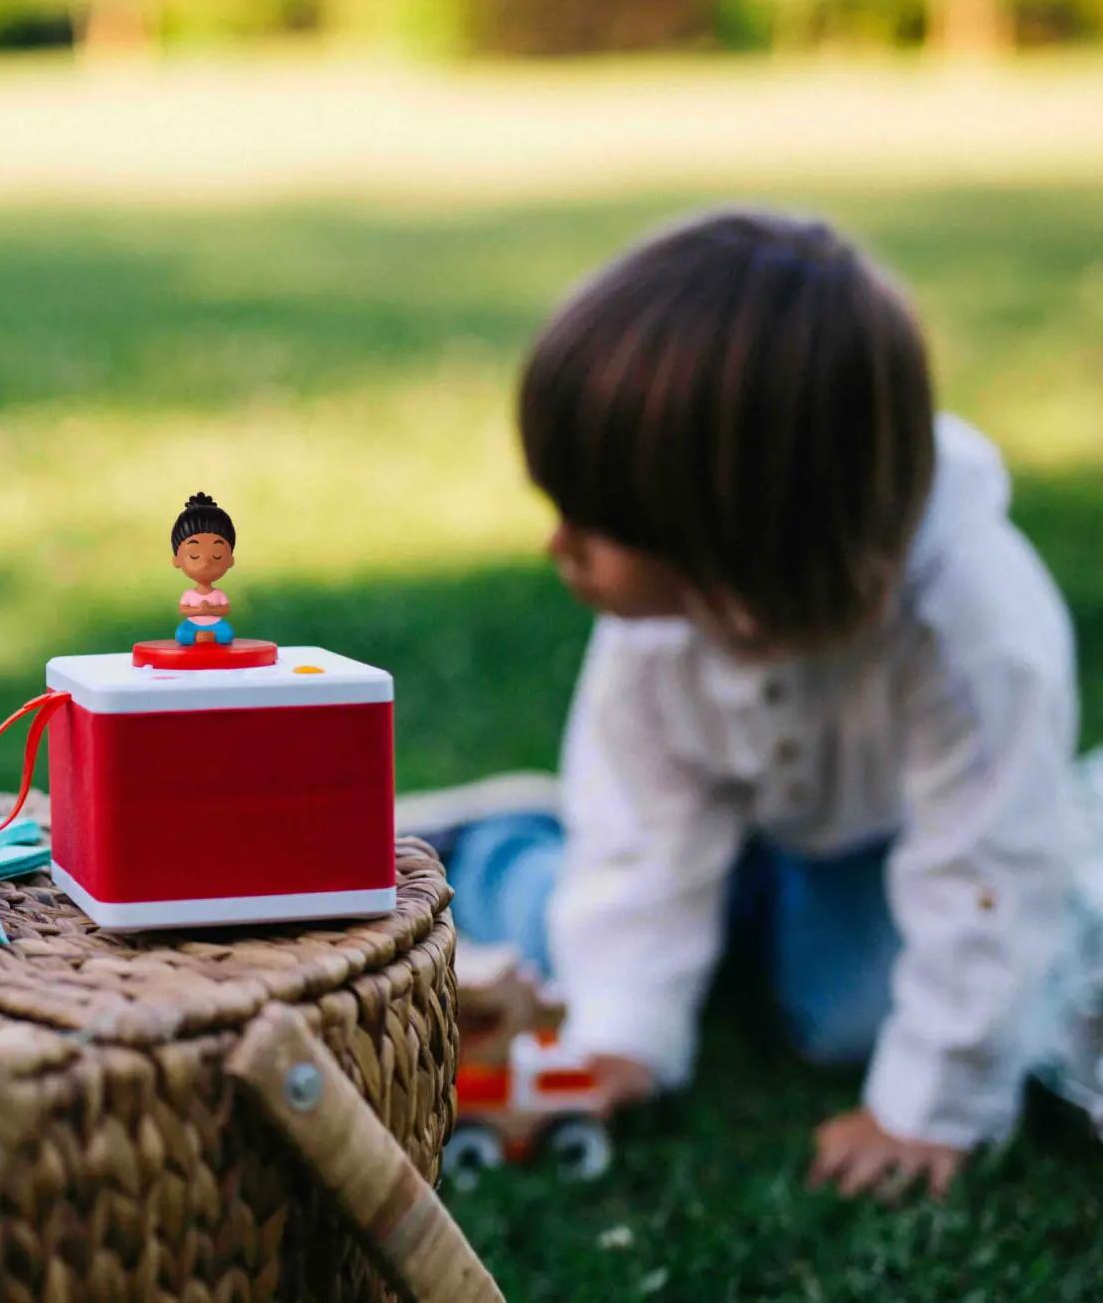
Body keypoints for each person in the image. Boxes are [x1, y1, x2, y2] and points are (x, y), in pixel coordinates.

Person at [399, 208, 1099, 1202]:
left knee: (843, 1017)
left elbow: (987, 864)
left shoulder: (972, 626)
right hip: (728, 818)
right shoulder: (654, 624)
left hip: (870, 842)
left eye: (595, 524)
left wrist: (928, 1106)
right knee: (569, 924)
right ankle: (495, 845)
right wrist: (621, 1034)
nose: (558, 548)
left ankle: (709, 907)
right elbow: (643, 826)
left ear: (737, 537)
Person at [172, 492, 238, 646]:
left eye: (217, 555)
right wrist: (198, 611)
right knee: (181, 634)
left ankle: (212, 637)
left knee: (227, 634)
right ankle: (196, 637)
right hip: (193, 624)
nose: (206, 562)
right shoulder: (188, 594)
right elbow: (183, 610)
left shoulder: (218, 594)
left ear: (230, 560)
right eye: (194, 556)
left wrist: (211, 610)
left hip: (216, 624)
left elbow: (225, 610)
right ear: (177, 560)